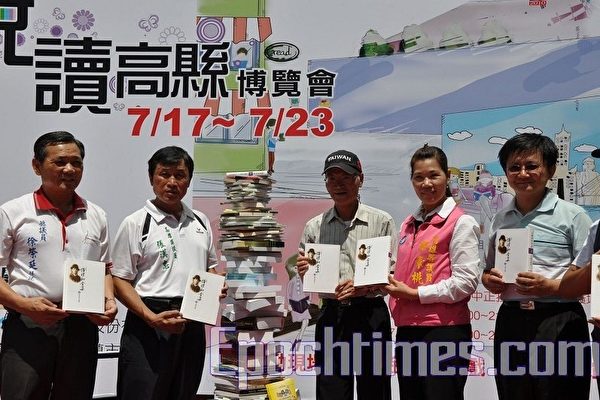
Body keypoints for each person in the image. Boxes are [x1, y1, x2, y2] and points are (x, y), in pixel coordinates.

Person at [0, 131, 117, 400]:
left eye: (76, 162)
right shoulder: (13, 212)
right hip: (29, 324)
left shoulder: (96, 214)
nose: (69, 169)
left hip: (81, 325)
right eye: (60, 162)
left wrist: (109, 301)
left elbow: (104, 269)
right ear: (37, 166)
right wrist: (24, 305)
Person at [481, 133, 592, 400]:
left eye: (531, 166)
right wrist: (489, 280)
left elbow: (592, 276)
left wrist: (551, 287)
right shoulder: (499, 219)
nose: (522, 174)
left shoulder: (573, 216)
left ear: (550, 170)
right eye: (514, 167)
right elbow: (487, 270)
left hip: (560, 319)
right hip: (511, 320)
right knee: (512, 392)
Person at [111, 146, 226, 400]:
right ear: (151, 177)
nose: (172, 182)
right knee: (142, 393)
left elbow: (210, 267)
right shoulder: (136, 223)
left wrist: (217, 283)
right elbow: (119, 279)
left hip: (192, 320)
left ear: (189, 180)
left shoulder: (200, 221)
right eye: (164, 174)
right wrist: (150, 317)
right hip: (149, 321)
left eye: (180, 175)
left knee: (184, 392)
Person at [296, 149, 396, 400]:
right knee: (331, 389)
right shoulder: (314, 226)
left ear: (360, 179)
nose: (338, 185)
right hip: (332, 314)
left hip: (370, 313)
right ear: (326, 183)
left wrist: (363, 287)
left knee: (375, 389)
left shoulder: (381, 221)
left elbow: (391, 273)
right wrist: (303, 271)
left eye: (346, 178)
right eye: (332, 178)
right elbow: (308, 275)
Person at [384, 144, 481, 400]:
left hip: (444, 331)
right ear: (412, 181)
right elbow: (398, 269)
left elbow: (465, 283)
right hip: (408, 329)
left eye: (433, 175)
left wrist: (415, 294)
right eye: (419, 177)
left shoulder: (461, 222)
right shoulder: (407, 224)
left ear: (447, 176)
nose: (426, 183)